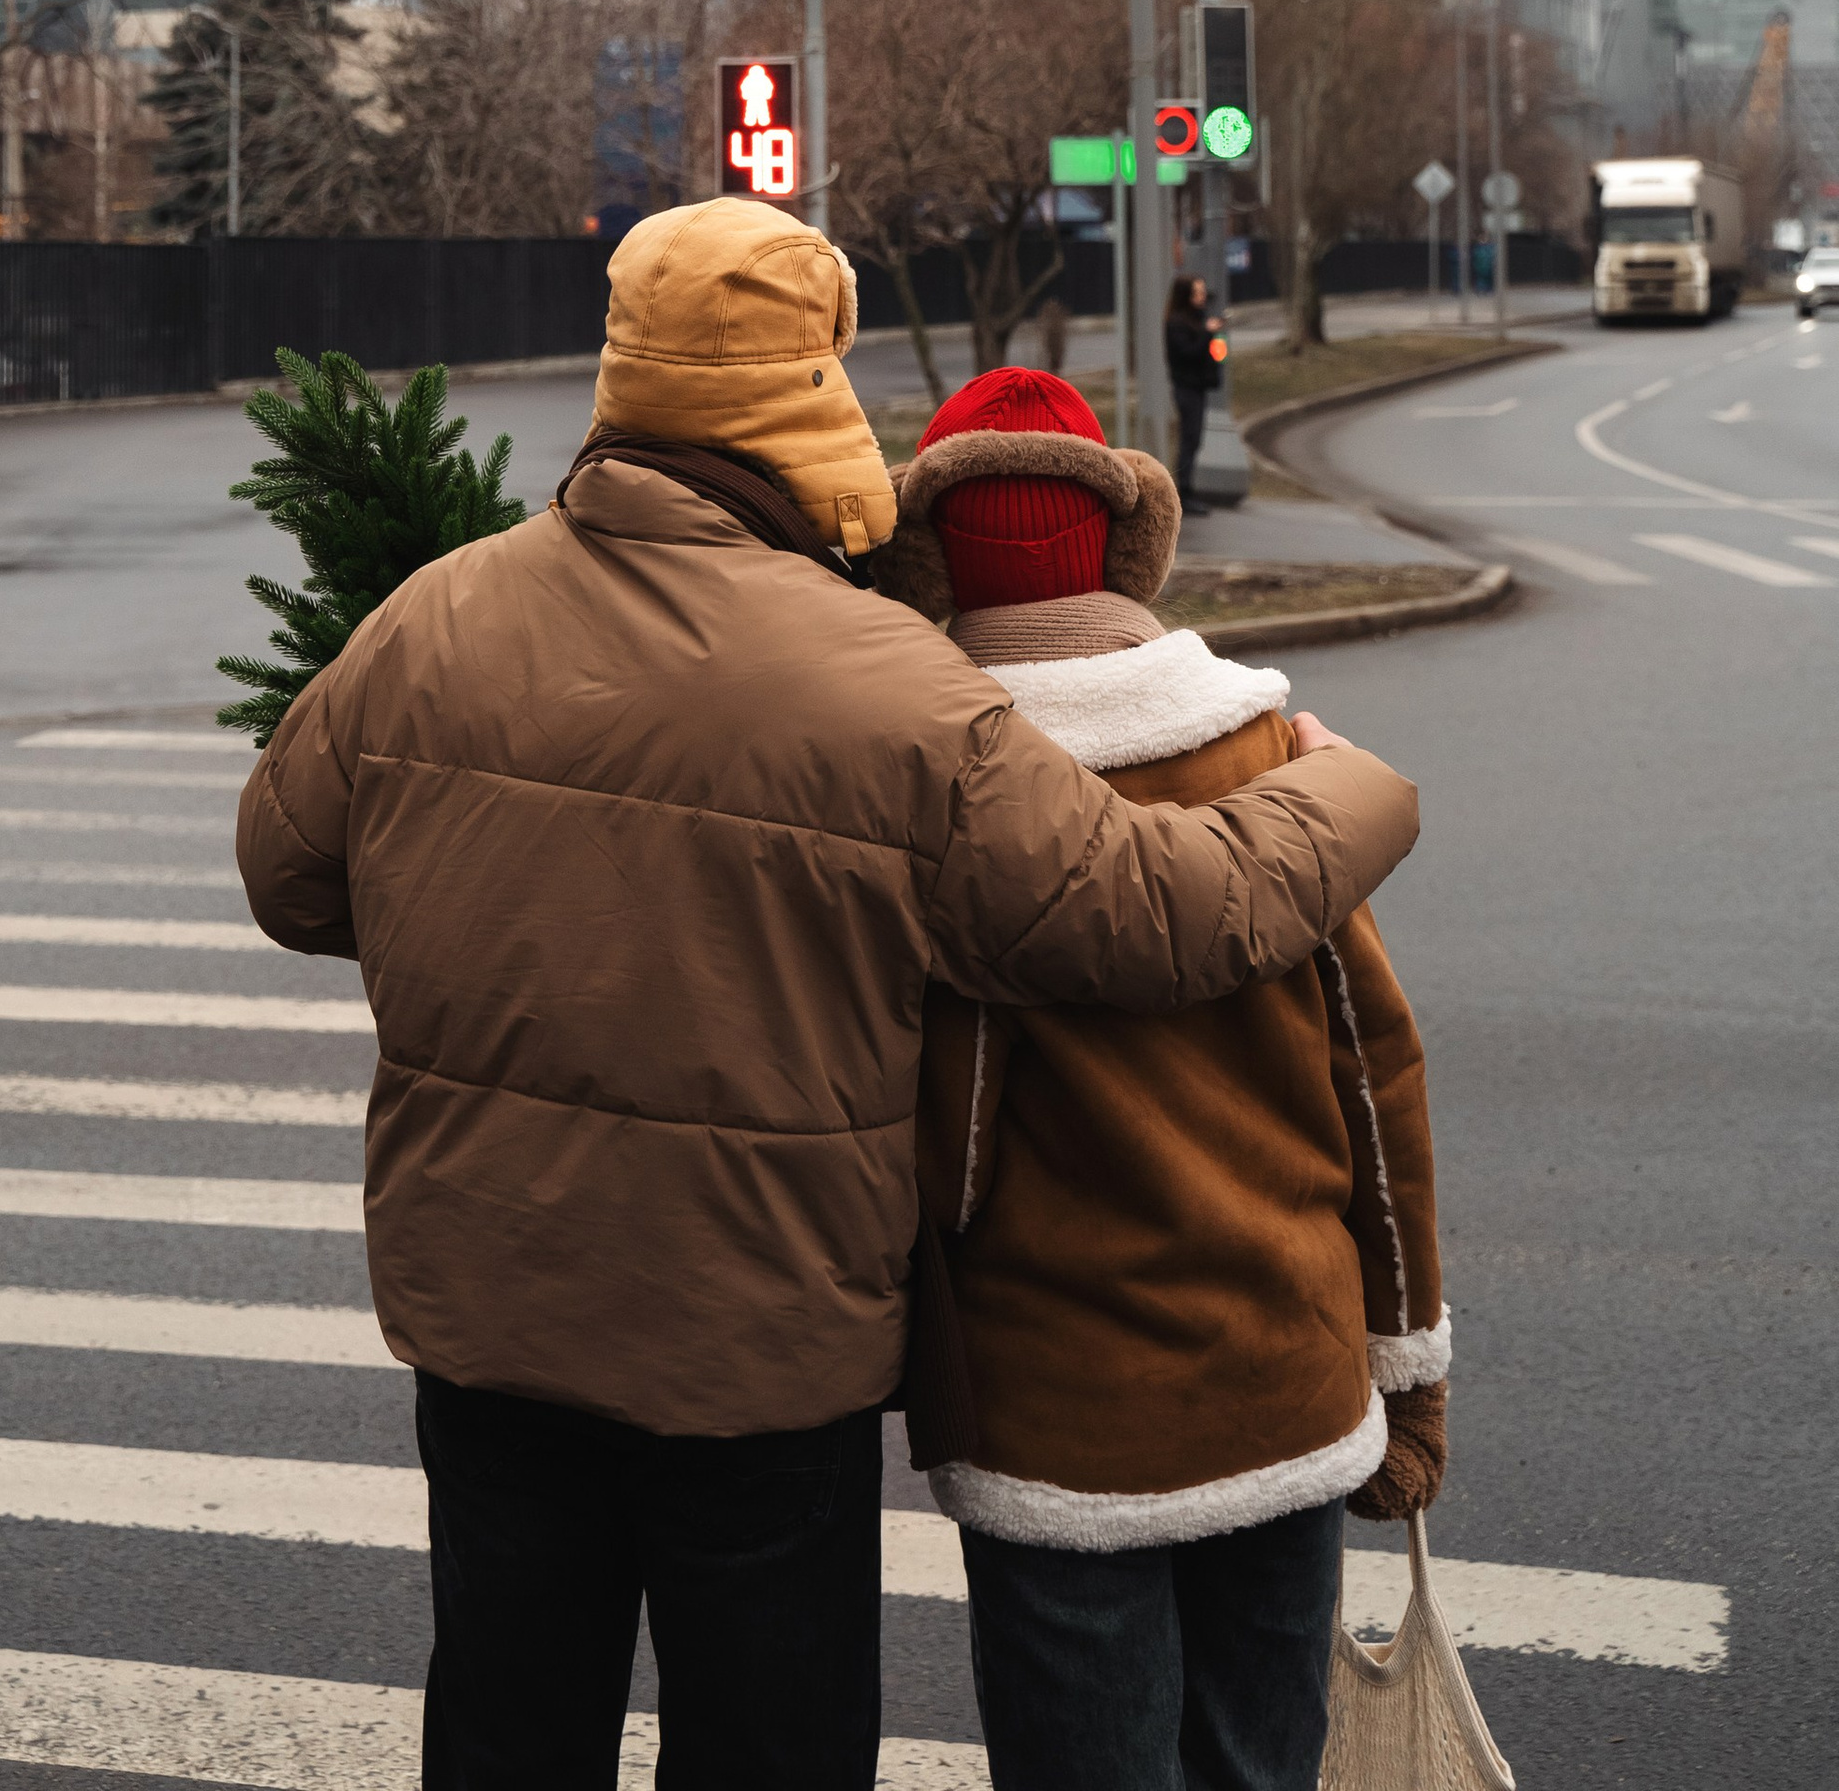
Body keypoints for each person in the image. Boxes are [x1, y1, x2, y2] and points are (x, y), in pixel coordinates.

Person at [235, 196, 1423, 1791]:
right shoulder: (887, 688)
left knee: (510, 1728)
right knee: (767, 1746)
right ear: (805, 393)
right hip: (760, 1341)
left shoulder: (432, 621)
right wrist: (1346, 793)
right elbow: (1161, 920)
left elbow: (290, 876)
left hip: (492, 1317)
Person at [870, 365, 1447, 1791]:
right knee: (1259, 1765)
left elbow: (934, 1161)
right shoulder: (1272, 755)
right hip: (1286, 1379)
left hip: (1060, 1420)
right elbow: (1379, 1083)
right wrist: (1410, 1366)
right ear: (1130, 543)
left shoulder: (939, 791)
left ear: (931, 554)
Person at [1163, 270, 1227, 500]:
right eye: (1197, 292)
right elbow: (1188, 353)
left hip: (1198, 386)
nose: (1202, 297)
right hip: (1186, 387)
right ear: (1186, 295)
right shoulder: (1177, 323)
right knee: (1189, 437)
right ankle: (1184, 491)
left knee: (1194, 437)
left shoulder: (1195, 318)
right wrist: (1207, 334)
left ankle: (1186, 487)